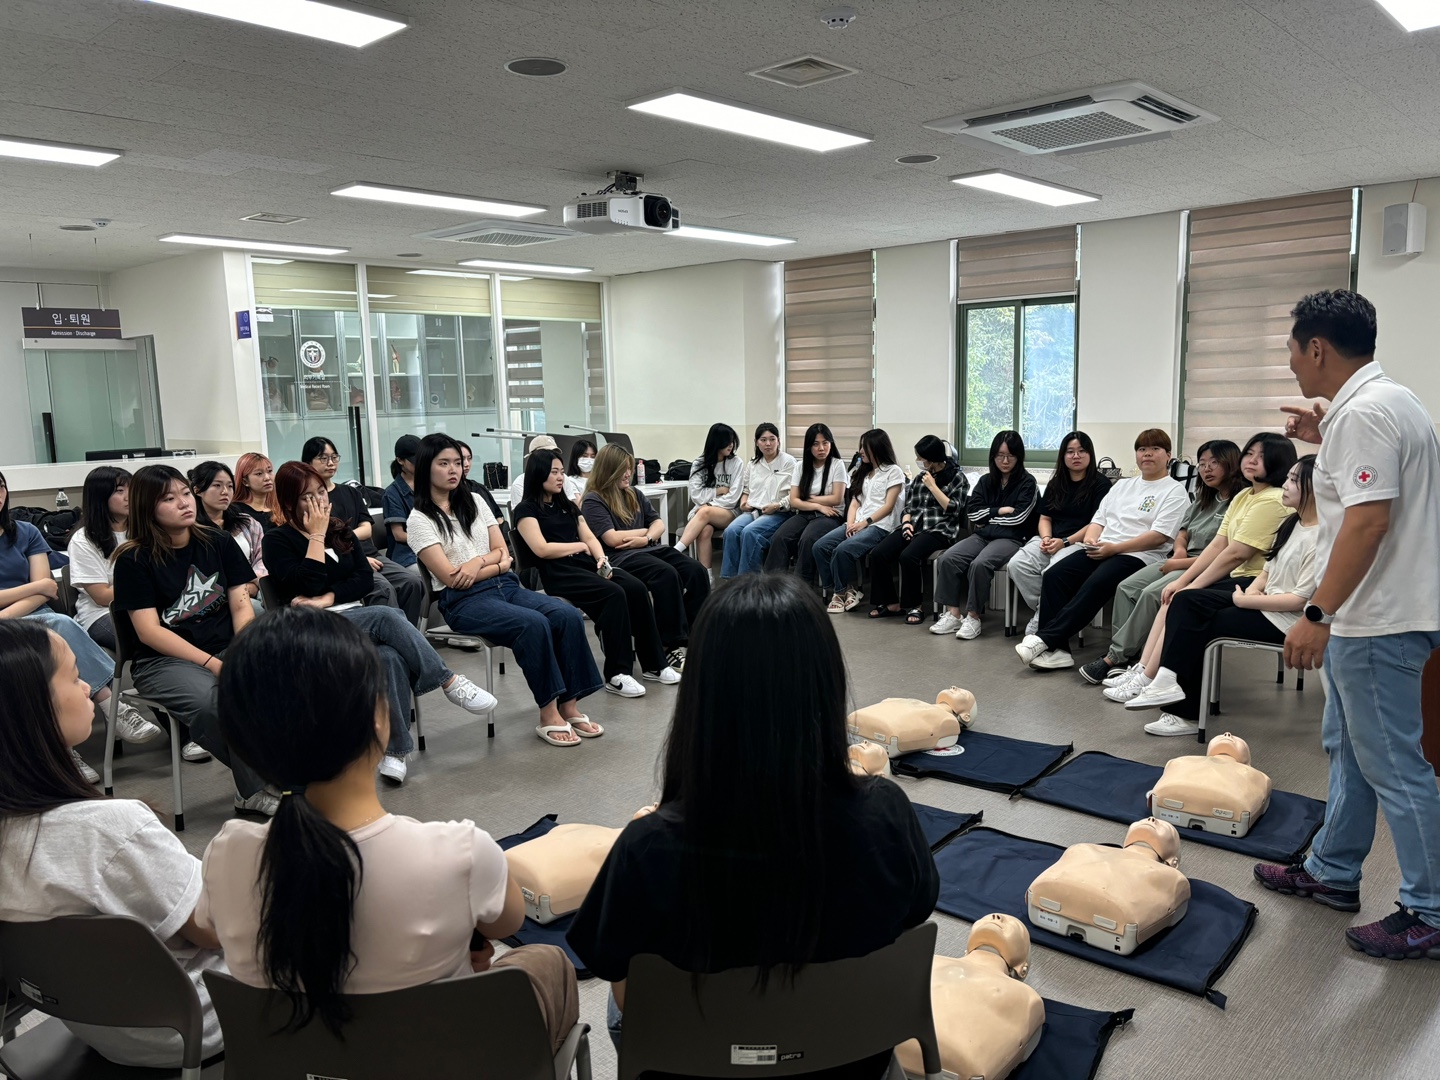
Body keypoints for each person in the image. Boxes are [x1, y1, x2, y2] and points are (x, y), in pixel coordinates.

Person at [568, 574, 940, 1077]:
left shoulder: (649, 848)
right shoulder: (887, 812)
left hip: (697, 1064)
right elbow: (911, 916)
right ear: (825, 683)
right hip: (851, 1058)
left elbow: (619, 978)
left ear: (702, 693)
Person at [195, 607, 579, 1048]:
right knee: (543, 960)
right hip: (437, 1060)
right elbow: (507, 921)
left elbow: (212, 929)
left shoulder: (226, 852)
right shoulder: (459, 852)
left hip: (300, 1065)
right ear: (381, 718)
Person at [1254, 290, 1440, 959]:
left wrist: (1316, 613)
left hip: (1376, 620)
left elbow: (1368, 522)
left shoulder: (1365, 414)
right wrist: (1326, 435)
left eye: (1293, 351)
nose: (1293, 366)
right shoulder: (1389, 403)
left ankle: (1431, 910)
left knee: (1396, 765)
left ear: (1317, 349)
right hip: (1384, 614)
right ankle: (1333, 870)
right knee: (1353, 752)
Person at [0, 620, 225, 1067]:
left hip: (99, 1029)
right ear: (32, 707)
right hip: (198, 1027)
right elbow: (214, 929)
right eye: (72, 675)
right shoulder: (109, 830)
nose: (87, 686)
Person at [262, 461, 498, 784]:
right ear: (288, 501)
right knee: (388, 615)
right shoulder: (277, 541)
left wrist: (327, 597)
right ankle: (448, 681)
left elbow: (363, 580)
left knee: (390, 656)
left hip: (353, 616)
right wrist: (316, 536)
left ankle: (396, 751)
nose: (319, 502)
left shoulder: (340, 529)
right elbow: (306, 584)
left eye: (321, 492)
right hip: (313, 629)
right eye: (307, 497)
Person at [407, 434, 605, 746]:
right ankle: (548, 713)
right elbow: (452, 577)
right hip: (463, 601)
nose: (453, 469)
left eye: (457, 463)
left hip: (506, 586)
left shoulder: (474, 501)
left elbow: (505, 555)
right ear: (425, 469)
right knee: (534, 624)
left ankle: (570, 705)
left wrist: (476, 564)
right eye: (443, 463)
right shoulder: (419, 520)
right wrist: (487, 564)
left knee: (565, 614)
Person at [112, 465, 277, 816]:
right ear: (146, 508)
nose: (184, 503)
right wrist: (214, 664)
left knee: (283, 680)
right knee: (210, 703)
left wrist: (242, 650)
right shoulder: (133, 559)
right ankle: (256, 788)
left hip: (226, 646)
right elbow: (149, 632)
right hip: (163, 661)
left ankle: (297, 771)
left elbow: (240, 602)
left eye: (185, 493)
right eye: (169, 499)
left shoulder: (217, 541)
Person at [1113, 456, 1318, 736]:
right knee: (1186, 599)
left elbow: (1298, 600)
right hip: (1260, 600)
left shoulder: (1323, 537)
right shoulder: (1292, 523)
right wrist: (1255, 589)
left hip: (1286, 620)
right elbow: (1268, 570)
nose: (1285, 484)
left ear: (1317, 488)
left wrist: (1247, 600)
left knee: (1199, 623)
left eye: (1293, 480)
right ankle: (1164, 678)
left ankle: (1182, 712)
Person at [0, 470, 163, 781]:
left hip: (34, 619)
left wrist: (8, 614)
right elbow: (42, 588)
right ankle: (105, 715)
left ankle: (72, 740)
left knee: (55, 627)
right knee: (57, 627)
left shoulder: (24, 533)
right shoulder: (85, 538)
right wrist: (30, 591)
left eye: (1, 486)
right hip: (46, 619)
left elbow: (46, 588)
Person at [1015, 429, 1188, 671]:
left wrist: (1114, 548)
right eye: (1141, 449)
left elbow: (1159, 537)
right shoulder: (1122, 486)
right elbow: (1098, 520)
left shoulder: (1174, 491)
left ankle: (1045, 639)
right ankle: (1059, 651)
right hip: (1103, 548)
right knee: (1055, 574)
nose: (1147, 454)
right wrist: (1093, 541)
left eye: (1155, 449)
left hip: (1138, 555)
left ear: (1168, 455)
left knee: (1096, 582)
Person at [1078, 439, 1244, 686]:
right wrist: (1178, 551)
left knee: (1152, 594)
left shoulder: (1240, 501)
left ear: (1231, 465)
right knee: (1126, 587)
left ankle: (1115, 658)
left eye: (1214, 463)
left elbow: (1225, 553)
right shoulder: (1204, 498)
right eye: (1202, 464)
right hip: (1180, 560)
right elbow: (1183, 532)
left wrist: (1181, 563)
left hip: (1207, 568)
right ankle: (1130, 656)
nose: (1207, 469)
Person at [515, 452, 680, 697]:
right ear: (538, 474)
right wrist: (579, 548)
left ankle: (655, 664)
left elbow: (589, 536)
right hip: (558, 572)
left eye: (562, 472)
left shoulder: (566, 505)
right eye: (554, 472)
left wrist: (600, 556)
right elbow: (541, 549)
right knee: (613, 594)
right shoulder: (525, 510)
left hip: (585, 563)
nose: (561, 477)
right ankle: (617, 673)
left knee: (634, 587)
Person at [582, 444, 709, 674]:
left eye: (629, 469)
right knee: (666, 574)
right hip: (618, 557)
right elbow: (612, 539)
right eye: (623, 469)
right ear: (609, 470)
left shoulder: (634, 494)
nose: (628, 474)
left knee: (697, 571)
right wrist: (646, 534)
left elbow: (658, 524)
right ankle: (669, 645)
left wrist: (647, 537)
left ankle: (692, 637)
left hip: (646, 549)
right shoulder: (593, 500)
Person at [302, 436, 422, 625]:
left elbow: (366, 530)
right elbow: (315, 538)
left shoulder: (351, 492)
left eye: (334, 457)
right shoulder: (307, 500)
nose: (331, 463)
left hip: (369, 553)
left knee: (412, 583)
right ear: (308, 462)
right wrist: (348, 550)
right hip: (342, 558)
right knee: (383, 588)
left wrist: (344, 540)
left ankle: (410, 633)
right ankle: (387, 640)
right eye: (323, 458)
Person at [932, 430, 1039, 639]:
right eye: (1000, 455)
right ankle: (953, 614)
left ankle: (973, 617)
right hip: (984, 536)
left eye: (1010, 456)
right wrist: (999, 510)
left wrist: (988, 518)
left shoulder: (1028, 483)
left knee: (980, 564)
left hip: (1013, 538)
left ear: (1019, 456)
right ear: (993, 456)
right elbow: (972, 513)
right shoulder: (985, 480)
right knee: (948, 558)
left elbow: (1019, 519)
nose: (1005, 461)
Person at [1004, 432, 1112, 637]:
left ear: (1090, 454)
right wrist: (1046, 538)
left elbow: (1096, 523)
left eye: (1081, 451)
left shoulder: (1101, 484)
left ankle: (1043, 619)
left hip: (1080, 543)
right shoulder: (1056, 483)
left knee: (1052, 573)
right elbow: (1045, 517)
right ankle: (1048, 611)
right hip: (1051, 539)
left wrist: (1064, 542)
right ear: (1063, 456)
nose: (1076, 456)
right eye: (1070, 451)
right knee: (1016, 565)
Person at [866, 435, 969, 623]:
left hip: (939, 530)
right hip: (915, 526)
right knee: (878, 553)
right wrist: (906, 523)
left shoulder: (958, 478)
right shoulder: (920, 478)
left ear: (932, 459)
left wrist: (933, 486)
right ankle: (889, 602)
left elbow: (953, 508)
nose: (918, 462)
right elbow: (909, 507)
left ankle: (916, 605)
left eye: (921, 458)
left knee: (908, 556)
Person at [812, 429, 906, 613]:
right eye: (860, 447)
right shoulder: (863, 471)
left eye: (864, 447)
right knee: (820, 547)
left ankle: (839, 593)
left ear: (877, 447)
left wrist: (864, 523)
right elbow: (854, 502)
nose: (861, 451)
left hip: (880, 525)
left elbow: (888, 506)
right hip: (857, 522)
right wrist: (849, 524)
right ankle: (847, 590)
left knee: (842, 550)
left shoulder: (893, 471)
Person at [764, 423, 850, 579]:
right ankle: (773, 586)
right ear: (809, 447)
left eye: (825, 443)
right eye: (816, 444)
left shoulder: (837, 465)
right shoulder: (801, 466)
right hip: (806, 513)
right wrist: (818, 505)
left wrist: (808, 498)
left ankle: (801, 590)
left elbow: (837, 498)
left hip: (831, 516)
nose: (821, 448)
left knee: (807, 539)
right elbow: (794, 501)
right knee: (779, 537)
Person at [66, 464, 131, 650]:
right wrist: (147, 588)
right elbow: (102, 596)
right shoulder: (83, 540)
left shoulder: (143, 530)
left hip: (145, 606)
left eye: (132, 489)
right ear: (100, 497)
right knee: (152, 640)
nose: (129, 496)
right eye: (120, 491)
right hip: (102, 614)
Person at [719, 423, 796, 578]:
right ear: (756, 442)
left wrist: (778, 505)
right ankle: (730, 581)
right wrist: (743, 502)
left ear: (778, 441)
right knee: (731, 531)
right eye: (763, 440)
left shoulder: (788, 462)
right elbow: (746, 489)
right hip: (754, 510)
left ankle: (748, 583)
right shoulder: (753, 463)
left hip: (779, 512)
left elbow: (794, 494)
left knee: (750, 532)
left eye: (772, 439)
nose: (768, 444)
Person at [189, 460, 266, 605]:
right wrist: (239, 587)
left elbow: (261, 558)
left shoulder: (246, 522)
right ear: (197, 490)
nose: (225, 492)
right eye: (217, 485)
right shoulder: (192, 528)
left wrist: (254, 584)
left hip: (255, 585)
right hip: (216, 595)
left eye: (230, 486)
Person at [674, 423, 743, 571]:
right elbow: (696, 496)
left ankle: (675, 552)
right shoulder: (700, 463)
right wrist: (718, 491)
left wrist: (710, 505)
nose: (730, 445)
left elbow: (733, 498)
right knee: (704, 531)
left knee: (704, 512)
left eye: (732, 441)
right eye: (727, 442)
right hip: (702, 512)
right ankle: (707, 576)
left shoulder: (736, 463)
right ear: (716, 442)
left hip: (729, 513)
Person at [382, 434, 423, 570]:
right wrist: (430, 540)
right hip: (407, 555)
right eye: (415, 461)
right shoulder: (392, 494)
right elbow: (399, 535)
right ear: (400, 460)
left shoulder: (430, 486)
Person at [509, 435, 583, 508]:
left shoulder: (564, 478)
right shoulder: (519, 484)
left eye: (554, 453)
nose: (551, 457)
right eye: (545, 454)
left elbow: (571, 507)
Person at [232, 451, 277, 530]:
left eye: (269, 471)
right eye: (259, 474)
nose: (267, 478)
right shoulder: (236, 512)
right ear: (245, 481)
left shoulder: (279, 506)